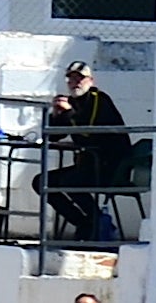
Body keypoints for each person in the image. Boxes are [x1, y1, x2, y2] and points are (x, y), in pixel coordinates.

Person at [39, 61, 133, 241]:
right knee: (42, 181)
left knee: (69, 182)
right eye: (71, 78)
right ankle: (85, 223)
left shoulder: (99, 99)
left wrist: (68, 113)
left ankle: (96, 222)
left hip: (111, 166)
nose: (75, 83)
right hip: (89, 165)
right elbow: (53, 136)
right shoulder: (72, 102)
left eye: (80, 78)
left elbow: (87, 130)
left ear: (90, 81)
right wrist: (55, 114)